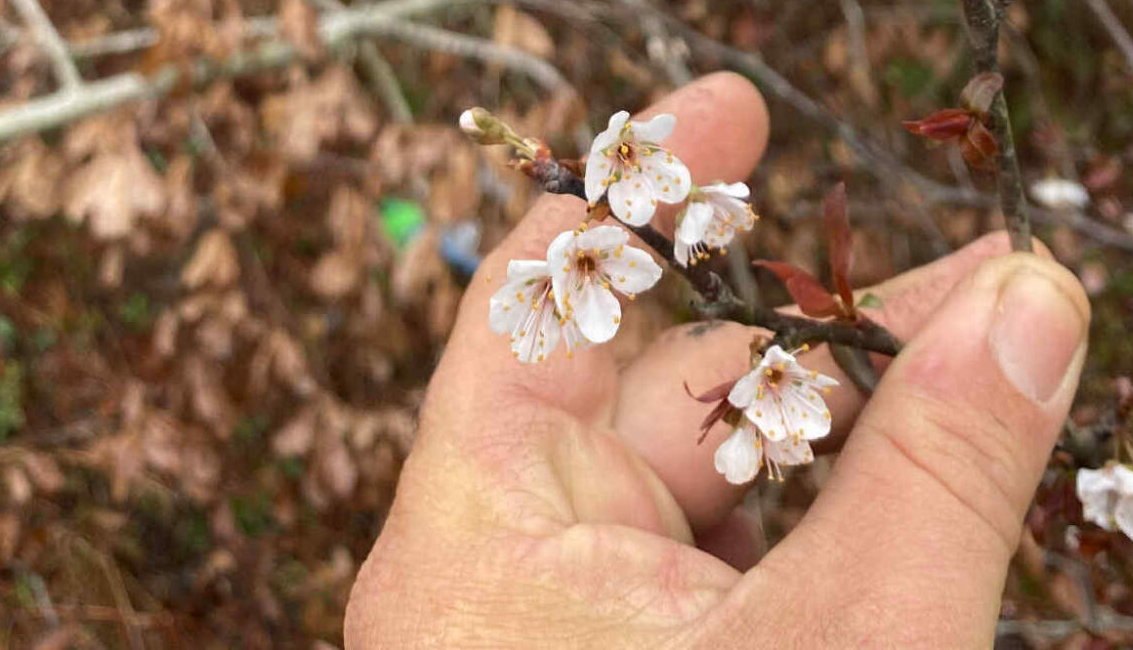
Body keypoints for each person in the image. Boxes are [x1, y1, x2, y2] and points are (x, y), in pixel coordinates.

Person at [346, 71, 1089, 649]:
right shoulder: (584, 248)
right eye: (622, 157)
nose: (629, 160)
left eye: (633, 152)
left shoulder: (643, 188)